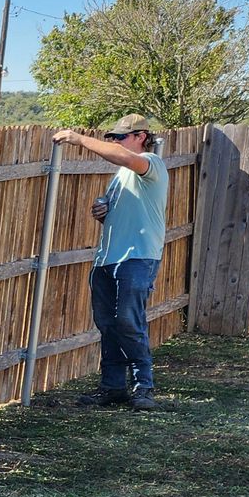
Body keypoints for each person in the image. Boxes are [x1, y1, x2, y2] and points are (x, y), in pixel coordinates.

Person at [53, 114, 169, 411]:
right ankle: (113, 387)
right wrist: (102, 210)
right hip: (107, 257)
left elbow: (122, 157)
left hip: (137, 257)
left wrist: (78, 139)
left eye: (120, 137)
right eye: (114, 138)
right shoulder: (120, 178)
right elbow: (117, 211)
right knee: (108, 325)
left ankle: (144, 387)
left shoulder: (150, 164)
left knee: (130, 322)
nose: (115, 142)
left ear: (140, 137)